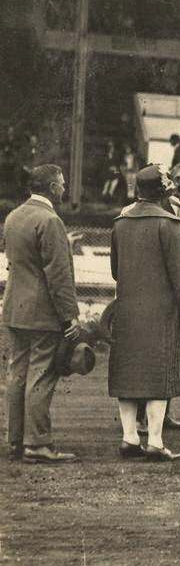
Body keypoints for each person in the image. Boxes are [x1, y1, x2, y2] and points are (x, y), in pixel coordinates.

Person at [109, 164, 180, 462]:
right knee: (159, 375)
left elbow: (115, 271)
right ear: (162, 191)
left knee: (127, 374)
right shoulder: (169, 225)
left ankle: (129, 438)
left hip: (127, 310)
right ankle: (156, 442)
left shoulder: (120, 222)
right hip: (162, 313)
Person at [3, 164, 81, 463]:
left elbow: (20, 260)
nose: (64, 188)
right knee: (41, 375)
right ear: (51, 187)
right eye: (62, 184)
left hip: (15, 307)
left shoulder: (14, 216)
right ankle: (37, 443)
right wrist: (70, 315)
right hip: (42, 312)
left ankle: (16, 441)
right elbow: (58, 275)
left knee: (17, 375)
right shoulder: (50, 220)